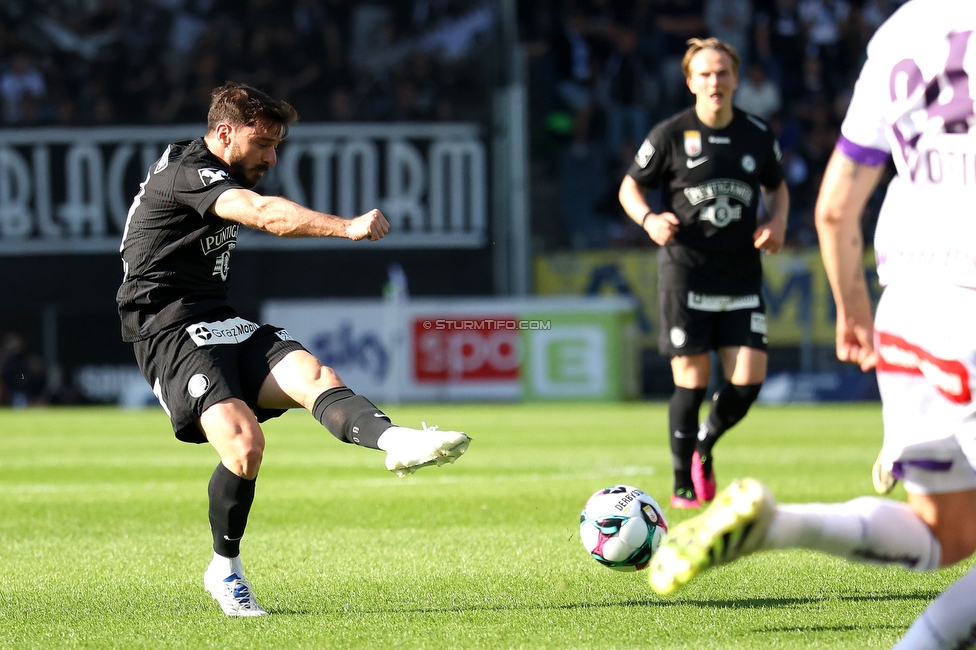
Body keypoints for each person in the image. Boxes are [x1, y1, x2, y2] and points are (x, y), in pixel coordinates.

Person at [647, 4, 976, 647]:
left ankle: (780, 524)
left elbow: (833, 210)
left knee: (948, 533)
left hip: (908, 307)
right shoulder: (670, 135)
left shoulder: (901, 32)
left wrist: (854, 311)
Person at [116, 81, 470, 617]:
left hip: (218, 317)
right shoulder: (190, 173)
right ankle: (225, 569)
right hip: (167, 328)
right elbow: (262, 213)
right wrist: (347, 227)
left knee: (314, 375)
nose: (271, 156)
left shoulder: (215, 168)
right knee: (243, 445)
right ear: (224, 132)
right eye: (262, 144)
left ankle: (394, 440)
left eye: (277, 145)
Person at [618, 38, 789, 509]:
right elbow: (631, 186)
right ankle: (681, 482)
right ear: (691, 81)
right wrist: (649, 220)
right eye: (705, 74)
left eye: (723, 73)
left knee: (747, 382)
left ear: (735, 78)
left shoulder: (756, 133)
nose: (715, 81)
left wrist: (776, 222)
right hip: (685, 272)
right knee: (691, 381)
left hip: (740, 275)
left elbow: (778, 188)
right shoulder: (671, 133)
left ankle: (705, 445)